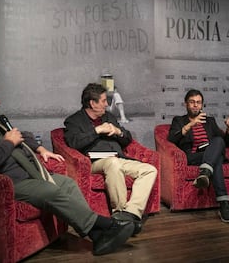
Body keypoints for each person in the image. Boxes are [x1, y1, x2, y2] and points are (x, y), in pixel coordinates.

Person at [0, 81, 135, 256]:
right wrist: (9, 143)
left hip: (28, 174)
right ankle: (105, 224)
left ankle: (97, 236)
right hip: (8, 183)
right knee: (50, 190)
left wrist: (40, 148)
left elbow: (23, 135)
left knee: (67, 184)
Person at [63, 83, 158, 235]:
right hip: (94, 163)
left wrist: (118, 132)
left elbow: (127, 139)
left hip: (118, 158)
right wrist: (97, 130)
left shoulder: (109, 117)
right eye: (103, 101)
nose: (107, 104)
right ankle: (118, 211)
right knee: (113, 163)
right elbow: (73, 143)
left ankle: (129, 215)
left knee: (149, 169)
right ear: (92, 103)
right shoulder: (74, 121)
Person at [167, 89, 229, 223]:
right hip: (193, 156)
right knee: (217, 159)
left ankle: (206, 171)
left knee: (218, 141)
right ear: (185, 104)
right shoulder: (179, 120)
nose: (195, 105)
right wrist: (191, 125)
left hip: (209, 156)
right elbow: (171, 139)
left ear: (202, 105)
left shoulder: (209, 121)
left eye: (198, 103)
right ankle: (224, 204)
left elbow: (226, 143)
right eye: (192, 102)